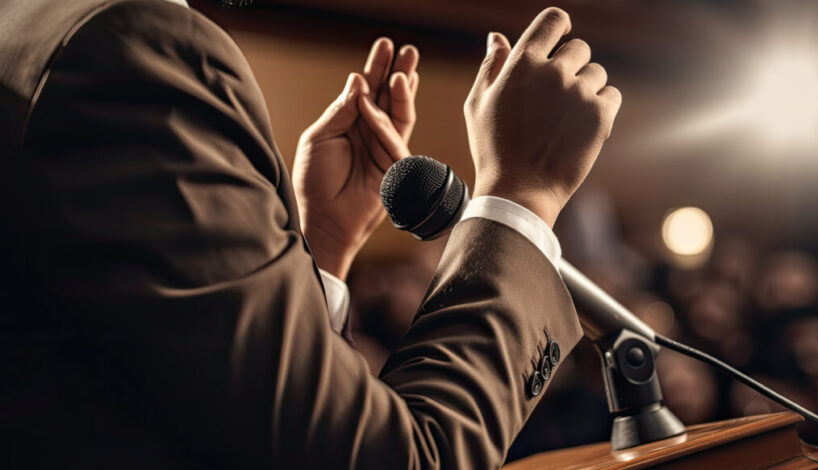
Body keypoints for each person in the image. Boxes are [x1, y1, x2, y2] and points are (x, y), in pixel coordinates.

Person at [0, 0, 620, 467]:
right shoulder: (124, 49)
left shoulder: (32, 35)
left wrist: (321, 243)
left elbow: (173, 401)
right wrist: (522, 195)